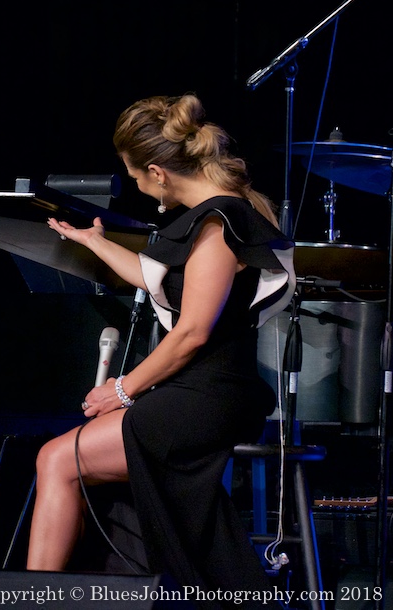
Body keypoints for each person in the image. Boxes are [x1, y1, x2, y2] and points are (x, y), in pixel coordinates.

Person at [27, 95, 295, 603]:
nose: (136, 185)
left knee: (57, 460)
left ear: (158, 172)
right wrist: (97, 244)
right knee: (62, 460)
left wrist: (123, 390)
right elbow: (164, 283)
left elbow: (191, 331)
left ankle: (34, 601)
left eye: (134, 176)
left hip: (209, 396)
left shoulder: (219, 226)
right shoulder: (219, 215)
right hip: (199, 390)